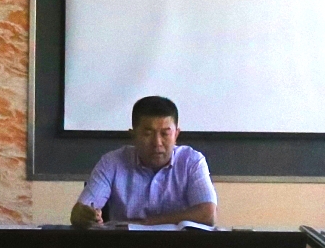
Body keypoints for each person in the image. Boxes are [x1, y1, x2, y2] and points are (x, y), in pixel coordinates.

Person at [71, 95, 217, 228]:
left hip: (178, 244)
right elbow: (79, 213)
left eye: (165, 134)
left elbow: (208, 214)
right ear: (133, 135)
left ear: (176, 134)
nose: (157, 143)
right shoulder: (111, 163)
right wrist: (85, 215)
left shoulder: (192, 161)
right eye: (148, 134)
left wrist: (147, 224)